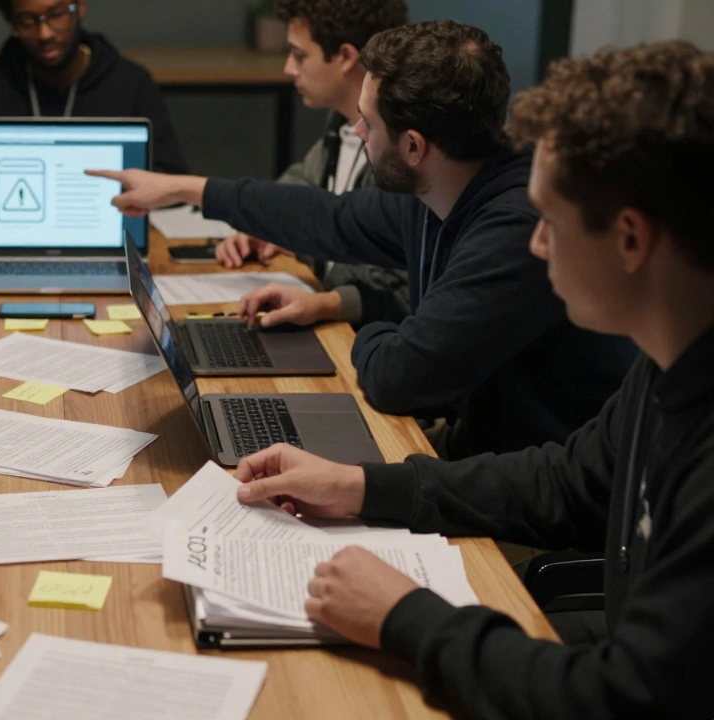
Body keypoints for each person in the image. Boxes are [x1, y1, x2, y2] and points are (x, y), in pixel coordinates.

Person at [231, 41, 714, 718]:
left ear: (630, 240)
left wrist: (406, 615)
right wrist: (360, 486)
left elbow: (619, 698)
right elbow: (565, 483)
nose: (535, 243)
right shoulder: (671, 362)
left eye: (549, 221)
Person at [89, 21, 634, 459]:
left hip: (523, 482)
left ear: (414, 146)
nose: (356, 132)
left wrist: (366, 328)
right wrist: (187, 190)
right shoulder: (442, 189)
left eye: (368, 124)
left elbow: (402, 378)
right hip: (479, 450)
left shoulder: (512, 229)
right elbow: (330, 218)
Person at [217, 0, 412, 330]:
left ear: (347, 57)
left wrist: (306, 247)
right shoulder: (340, 126)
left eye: (299, 55)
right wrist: (266, 226)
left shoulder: (396, 154)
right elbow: (298, 190)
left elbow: (385, 280)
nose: (289, 69)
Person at [0, 0, 188, 212]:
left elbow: (171, 173)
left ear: (79, 7)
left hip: (108, 223)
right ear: (12, 23)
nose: (44, 33)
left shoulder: (130, 81)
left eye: (55, 15)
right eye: (27, 21)